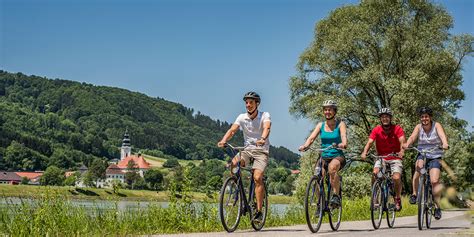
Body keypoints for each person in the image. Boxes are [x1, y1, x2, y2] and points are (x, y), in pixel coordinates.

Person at [217, 91, 271, 222]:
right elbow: (232, 130)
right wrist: (224, 140)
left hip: (261, 150)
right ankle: (236, 185)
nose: (248, 105)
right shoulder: (241, 117)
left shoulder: (265, 115)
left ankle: (258, 211)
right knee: (234, 163)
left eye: (251, 102)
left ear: (257, 104)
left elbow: (267, 127)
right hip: (246, 150)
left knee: (257, 177)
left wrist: (263, 138)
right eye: (246, 102)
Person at [299, 100, 347, 207]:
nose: (327, 112)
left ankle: (335, 196)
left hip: (337, 155)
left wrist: (343, 143)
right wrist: (305, 146)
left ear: (334, 111)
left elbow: (343, 135)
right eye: (325, 110)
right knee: (316, 176)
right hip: (324, 156)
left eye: (330, 109)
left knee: (332, 168)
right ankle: (320, 203)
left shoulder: (340, 124)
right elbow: (311, 138)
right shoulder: (320, 125)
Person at [403, 106, 448, 220]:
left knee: (434, 181)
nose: (424, 119)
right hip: (422, 154)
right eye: (422, 117)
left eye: (426, 116)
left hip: (435, 155)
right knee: (418, 168)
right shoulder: (418, 127)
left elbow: (442, 135)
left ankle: (437, 207)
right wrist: (408, 144)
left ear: (430, 117)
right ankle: (414, 194)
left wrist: (445, 143)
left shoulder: (436, 125)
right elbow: (413, 137)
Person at [361, 107, 405, 211]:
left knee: (396, 178)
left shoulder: (397, 128)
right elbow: (370, 142)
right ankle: (375, 198)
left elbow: (402, 140)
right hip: (381, 157)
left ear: (390, 118)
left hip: (395, 157)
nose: (385, 119)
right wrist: (364, 152)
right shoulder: (377, 129)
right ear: (380, 119)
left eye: (387, 117)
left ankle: (397, 198)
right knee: (375, 173)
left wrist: (402, 151)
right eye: (383, 117)